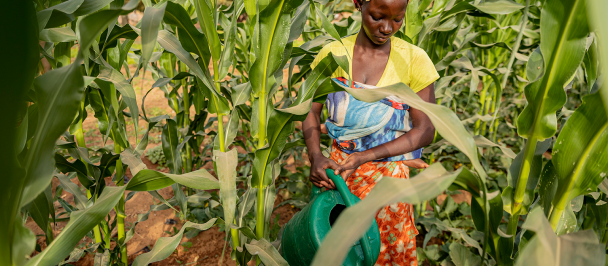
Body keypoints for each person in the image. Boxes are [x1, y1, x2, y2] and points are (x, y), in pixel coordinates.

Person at [302, 0, 439, 264]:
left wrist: (365, 156)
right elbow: (309, 109)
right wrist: (316, 156)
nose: (387, 28)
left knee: (386, 251)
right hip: (337, 176)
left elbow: (426, 130)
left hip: (388, 183)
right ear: (358, 4)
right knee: (338, 252)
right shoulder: (333, 54)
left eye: (398, 20)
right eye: (378, 17)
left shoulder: (414, 60)